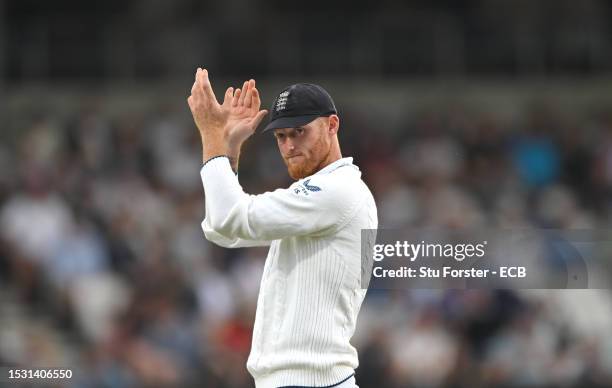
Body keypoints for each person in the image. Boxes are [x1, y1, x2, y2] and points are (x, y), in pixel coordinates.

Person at [188, 68, 378, 388]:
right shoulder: (326, 195)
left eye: (299, 132)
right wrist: (230, 151)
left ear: (332, 125)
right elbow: (224, 232)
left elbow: (228, 219)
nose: (289, 146)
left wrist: (211, 135)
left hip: (311, 380)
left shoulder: (337, 190)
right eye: (281, 136)